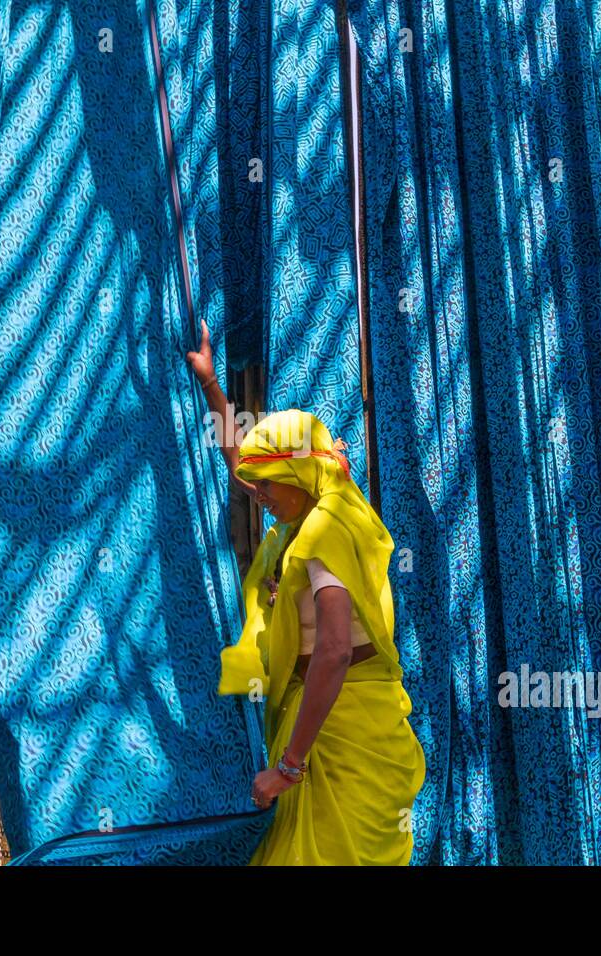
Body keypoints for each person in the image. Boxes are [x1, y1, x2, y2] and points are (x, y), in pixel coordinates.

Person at [186, 320, 426, 865]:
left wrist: (289, 767)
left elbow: (336, 650)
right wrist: (211, 386)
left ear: (295, 475)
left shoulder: (322, 532)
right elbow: (243, 466)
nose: (259, 494)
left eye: (269, 484)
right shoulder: (304, 520)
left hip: (338, 738)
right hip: (320, 729)